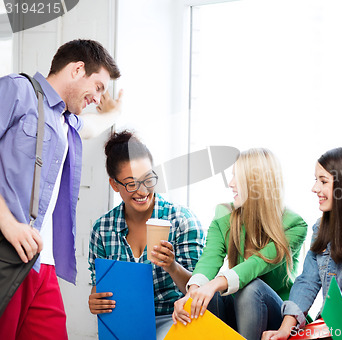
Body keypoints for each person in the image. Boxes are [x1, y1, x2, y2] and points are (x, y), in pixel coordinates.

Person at [0, 39, 121, 339]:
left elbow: (92, 127)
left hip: (43, 264)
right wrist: (9, 225)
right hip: (8, 251)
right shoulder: (17, 90)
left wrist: (115, 112)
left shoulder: (67, 122)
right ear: (78, 69)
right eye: (98, 86)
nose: (98, 96)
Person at [172, 148, 308, 340]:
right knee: (207, 297)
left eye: (238, 177)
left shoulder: (294, 224)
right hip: (238, 313)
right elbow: (209, 259)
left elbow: (257, 264)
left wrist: (214, 284)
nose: (231, 184)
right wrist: (192, 293)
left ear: (257, 184)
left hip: (277, 316)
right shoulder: (224, 215)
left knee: (250, 287)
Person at [262, 147, 342, 340]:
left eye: (323, 181)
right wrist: (284, 330)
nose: (315, 188)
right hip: (326, 328)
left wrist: (317, 335)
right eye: (316, 180)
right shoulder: (321, 228)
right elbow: (307, 282)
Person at [87, 131, 205, 340]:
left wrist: (171, 266)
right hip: (125, 323)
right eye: (131, 184)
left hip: (175, 319)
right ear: (114, 185)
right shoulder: (103, 229)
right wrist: (96, 300)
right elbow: (101, 284)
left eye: (148, 180)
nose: (142, 191)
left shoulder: (181, 220)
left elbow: (201, 289)